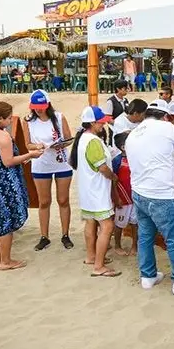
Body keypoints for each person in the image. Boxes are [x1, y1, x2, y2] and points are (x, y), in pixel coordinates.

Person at [125, 99, 174, 294]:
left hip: (139, 192)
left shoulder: (134, 133)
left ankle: (148, 276)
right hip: (163, 194)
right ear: (165, 116)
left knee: (145, 235)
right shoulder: (167, 128)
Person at [0, 101, 43, 271]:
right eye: (8, 118)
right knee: (6, 220)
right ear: (0, 119)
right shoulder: (2, 136)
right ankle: (5, 261)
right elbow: (8, 162)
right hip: (4, 182)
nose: (10, 121)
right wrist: (30, 155)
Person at [70, 105, 119, 278]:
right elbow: (102, 167)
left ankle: (91, 257)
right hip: (97, 190)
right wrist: (113, 177)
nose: (102, 126)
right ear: (92, 123)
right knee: (107, 226)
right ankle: (98, 266)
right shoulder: (93, 141)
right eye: (100, 123)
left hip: (87, 189)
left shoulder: (83, 138)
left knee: (90, 222)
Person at [22, 89, 74, 251]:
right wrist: (37, 146)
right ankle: (44, 236)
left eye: (41, 106)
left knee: (63, 200)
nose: (38, 109)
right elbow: (27, 144)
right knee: (44, 201)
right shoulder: (28, 121)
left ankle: (65, 234)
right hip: (41, 163)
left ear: (48, 104)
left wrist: (61, 144)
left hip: (61, 162)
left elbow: (68, 138)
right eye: (35, 106)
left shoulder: (59, 117)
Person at [111, 130, 137, 257]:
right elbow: (113, 181)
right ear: (123, 147)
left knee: (135, 222)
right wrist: (116, 197)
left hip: (135, 197)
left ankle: (134, 245)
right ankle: (117, 245)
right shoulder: (117, 161)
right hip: (123, 198)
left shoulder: (135, 157)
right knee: (119, 223)